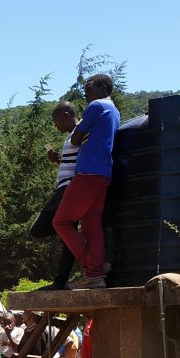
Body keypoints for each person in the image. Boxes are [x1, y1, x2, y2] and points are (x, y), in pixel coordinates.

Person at [54, 74, 121, 289]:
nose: (85, 93)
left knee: (61, 222)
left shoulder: (96, 106)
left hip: (88, 173)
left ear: (102, 86)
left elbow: (75, 138)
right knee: (92, 226)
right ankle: (95, 274)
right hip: (103, 174)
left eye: (88, 87)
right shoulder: (114, 111)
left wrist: (82, 135)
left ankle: (93, 270)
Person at [30, 102, 80, 290]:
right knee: (67, 236)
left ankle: (80, 241)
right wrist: (59, 160)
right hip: (66, 187)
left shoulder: (80, 133)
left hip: (68, 188)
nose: (55, 125)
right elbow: (75, 160)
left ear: (66, 115)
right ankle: (60, 281)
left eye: (56, 120)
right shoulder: (70, 138)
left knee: (38, 229)